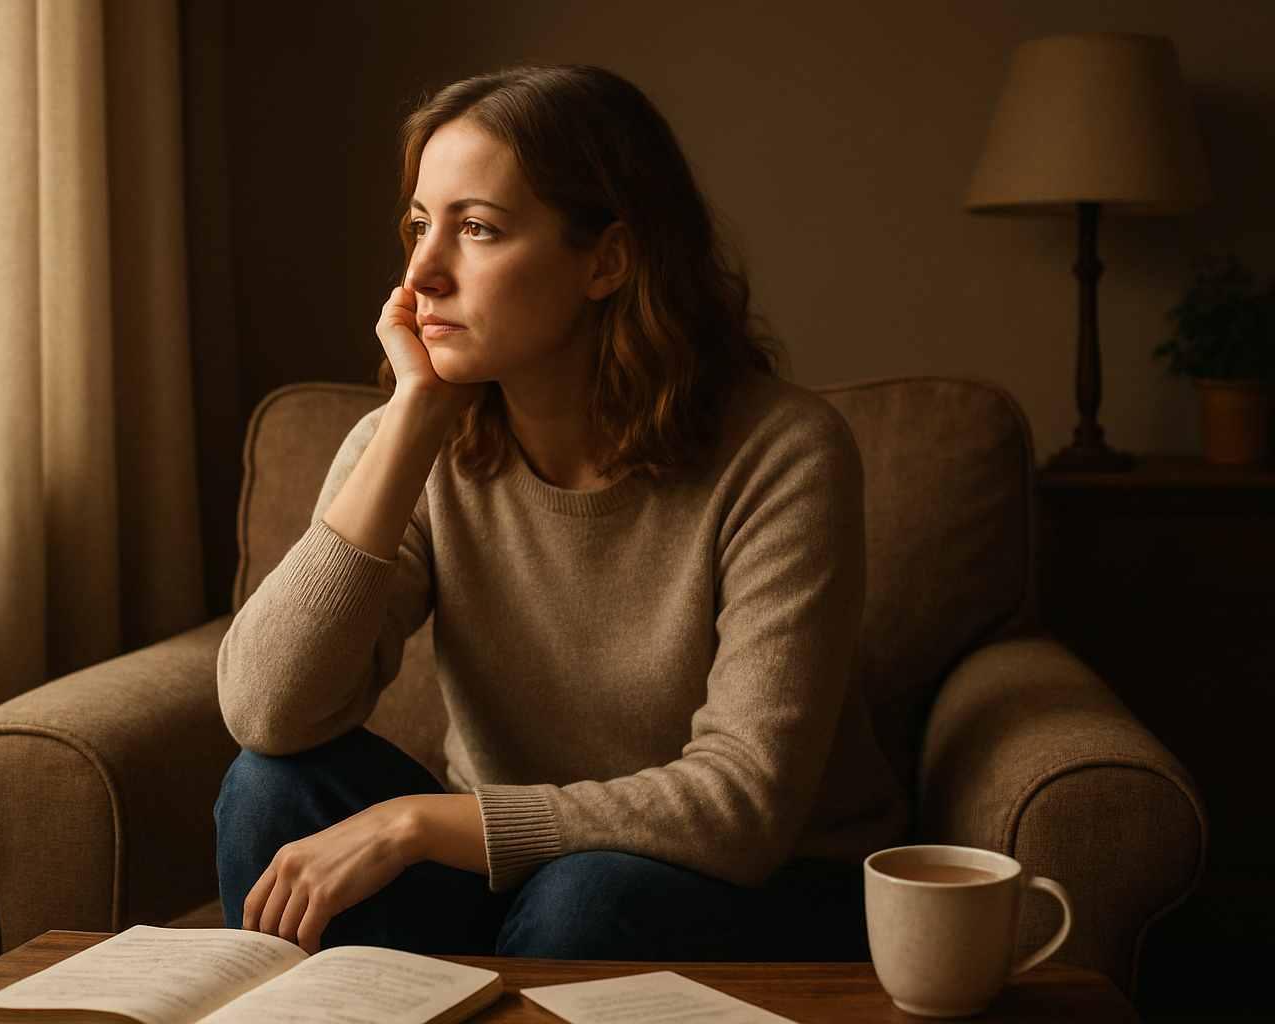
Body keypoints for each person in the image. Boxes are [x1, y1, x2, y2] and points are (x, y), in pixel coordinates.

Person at [214, 62, 906, 961]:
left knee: (584, 896)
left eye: (477, 229)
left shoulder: (784, 453)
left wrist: (419, 822)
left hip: (763, 886)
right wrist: (413, 421)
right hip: (508, 876)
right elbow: (266, 712)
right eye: (420, 225)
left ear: (607, 260)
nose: (422, 271)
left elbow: (744, 807)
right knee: (270, 790)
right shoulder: (413, 442)